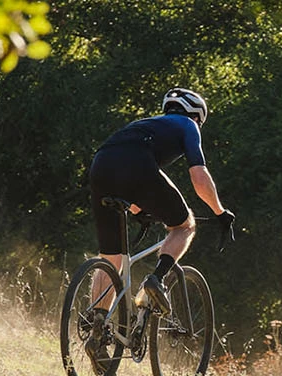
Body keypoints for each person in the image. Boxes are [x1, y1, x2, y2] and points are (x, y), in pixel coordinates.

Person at [85, 88, 235, 349]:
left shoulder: (143, 124)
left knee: (111, 258)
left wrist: (137, 208)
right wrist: (220, 212)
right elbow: (199, 176)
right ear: (198, 115)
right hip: (138, 164)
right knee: (184, 225)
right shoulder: (188, 125)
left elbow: (120, 165)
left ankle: (97, 329)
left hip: (101, 165)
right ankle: (157, 279)